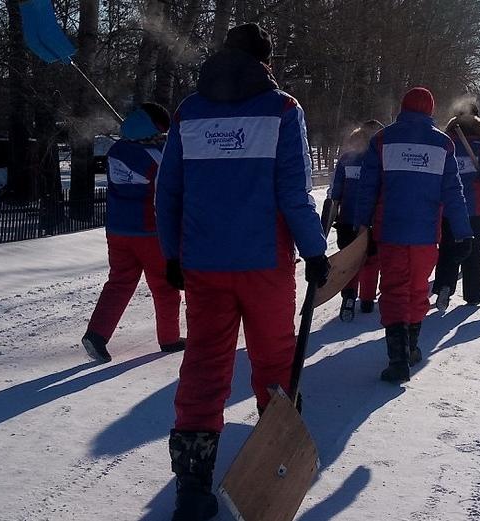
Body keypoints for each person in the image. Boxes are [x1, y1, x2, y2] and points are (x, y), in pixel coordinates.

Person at [154, 23, 330, 521]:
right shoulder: (282, 109)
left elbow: (168, 192)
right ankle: (275, 460)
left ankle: (192, 484)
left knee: (205, 363)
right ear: (265, 62)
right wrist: (315, 250)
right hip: (264, 263)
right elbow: (293, 192)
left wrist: (171, 254)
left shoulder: (189, 111)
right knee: (274, 359)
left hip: (203, 262)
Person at [352, 87, 472, 384]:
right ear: (430, 110)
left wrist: (361, 225)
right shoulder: (443, 144)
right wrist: (463, 231)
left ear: (403, 107)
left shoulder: (382, 140)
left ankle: (398, 359)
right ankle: (412, 347)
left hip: (390, 232)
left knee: (393, 290)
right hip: (425, 235)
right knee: (418, 289)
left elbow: (367, 187)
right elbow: (453, 192)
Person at [80, 103, 182, 363]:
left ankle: (96, 334)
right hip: (150, 232)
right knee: (164, 285)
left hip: (117, 231)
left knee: (119, 283)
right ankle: (169, 338)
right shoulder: (159, 156)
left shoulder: (116, 151)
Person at [432, 112, 480, 309]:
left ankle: (444, 285)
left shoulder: (445, 147)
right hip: (477, 209)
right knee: (476, 249)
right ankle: (473, 294)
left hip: (450, 209)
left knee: (448, 248)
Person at [329, 120, 385, 319]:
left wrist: (332, 212)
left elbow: (336, 190)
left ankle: (349, 296)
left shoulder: (346, 159)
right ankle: (367, 299)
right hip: (371, 220)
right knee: (371, 260)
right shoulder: (379, 161)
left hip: (347, 219)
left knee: (349, 260)